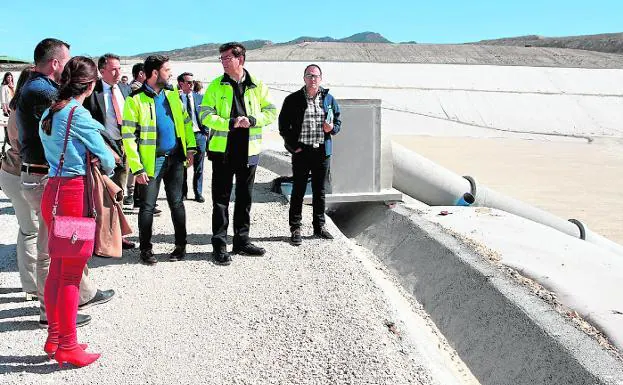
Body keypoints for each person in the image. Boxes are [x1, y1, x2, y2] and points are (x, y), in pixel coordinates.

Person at [15, 38, 114, 328]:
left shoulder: (40, 95)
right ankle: (54, 317)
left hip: (47, 178)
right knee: (54, 254)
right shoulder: (47, 95)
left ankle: (74, 302)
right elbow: (102, 153)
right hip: (55, 182)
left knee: (58, 251)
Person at [39, 56, 116, 367]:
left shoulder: (51, 110)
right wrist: (101, 160)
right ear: (91, 84)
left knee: (57, 270)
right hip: (72, 195)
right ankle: (67, 345)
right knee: (70, 274)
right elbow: (107, 158)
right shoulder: (77, 113)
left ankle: (55, 336)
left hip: (52, 192)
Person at [200, 42, 276, 265]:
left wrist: (252, 120)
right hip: (223, 152)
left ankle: (242, 242)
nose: (223, 62)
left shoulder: (257, 85)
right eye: (221, 58)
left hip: (249, 151)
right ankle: (219, 245)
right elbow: (204, 114)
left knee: (244, 199)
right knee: (221, 201)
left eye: (226, 58)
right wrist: (230, 122)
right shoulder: (215, 85)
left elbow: (270, 112)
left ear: (240, 59)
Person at [122, 55, 196, 265]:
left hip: (175, 160)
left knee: (177, 204)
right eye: (167, 70)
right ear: (155, 73)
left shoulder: (173, 95)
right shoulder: (135, 99)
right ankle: (146, 250)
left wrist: (191, 148)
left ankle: (181, 246)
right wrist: (137, 168)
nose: (170, 73)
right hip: (151, 163)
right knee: (147, 207)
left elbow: (186, 123)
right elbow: (128, 137)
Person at [279, 64, 341, 245]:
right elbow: (283, 126)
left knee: (319, 191)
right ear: (304, 78)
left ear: (321, 78)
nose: (313, 79)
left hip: (322, 152)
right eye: (309, 75)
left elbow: (338, 121)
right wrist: (293, 147)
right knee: (298, 190)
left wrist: (332, 129)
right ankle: (295, 228)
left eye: (316, 76)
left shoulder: (329, 99)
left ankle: (319, 226)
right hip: (302, 152)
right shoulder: (293, 99)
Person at [82, 53, 136, 251]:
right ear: (102, 71)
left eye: (119, 68)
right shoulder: (91, 92)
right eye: (113, 69)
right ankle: (98, 238)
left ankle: (116, 236)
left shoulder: (125, 89)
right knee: (102, 195)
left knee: (119, 191)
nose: (118, 72)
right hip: (103, 149)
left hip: (124, 147)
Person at [0, 66, 38, 300]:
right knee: (31, 231)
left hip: (10, 172)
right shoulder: (23, 110)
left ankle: (30, 282)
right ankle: (33, 286)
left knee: (27, 229)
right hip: (19, 172)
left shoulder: (17, 107)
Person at [177, 72, 208, 202]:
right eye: (188, 82)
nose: (191, 85)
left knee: (199, 167)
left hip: (199, 135)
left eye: (193, 82)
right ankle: (183, 193)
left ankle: (198, 193)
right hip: (184, 137)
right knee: (183, 166)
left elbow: (205, 116)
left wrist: (205, 132)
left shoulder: (200, 98)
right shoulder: (175, 100)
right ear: (181, 83)